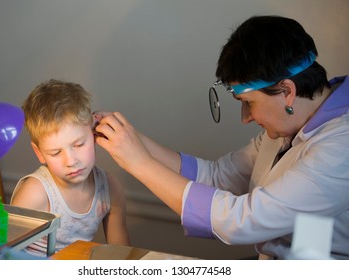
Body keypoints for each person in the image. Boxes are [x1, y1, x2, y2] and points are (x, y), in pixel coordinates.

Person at [93, 15, 349, 260]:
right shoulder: (284, 130)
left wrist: (138, 163)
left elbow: (242, 221)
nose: (245, 117)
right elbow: (216, 177)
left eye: (248, 102)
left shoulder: (339, 148)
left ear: (287, 91)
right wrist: (133, 139)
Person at [10, 79, 130, 256]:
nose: (71, 161)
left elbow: (122, 259)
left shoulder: (110, 189)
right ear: (39, 153)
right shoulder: (35, 194)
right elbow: (4, 259)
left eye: (79, 144)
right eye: (56, 152)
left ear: (95, 131)